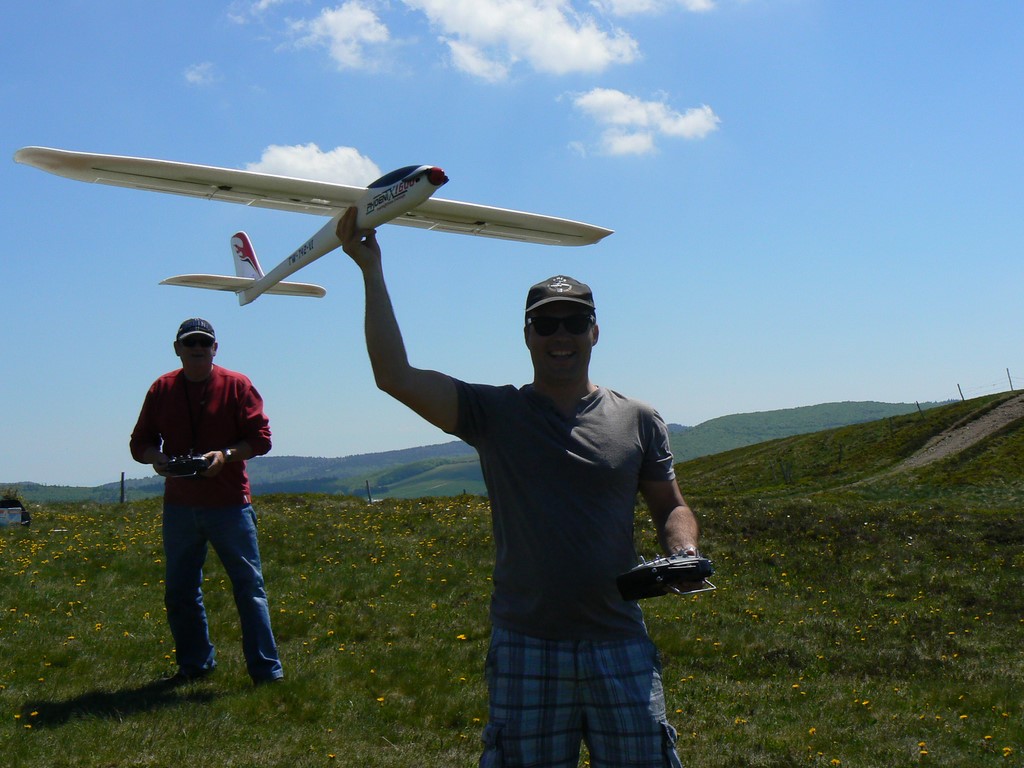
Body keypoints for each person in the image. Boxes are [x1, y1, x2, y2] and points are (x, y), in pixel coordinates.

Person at [339, 208, 700, 768]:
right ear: (527, 335)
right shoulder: (493, 412)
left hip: (619, 638)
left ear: (595, 332)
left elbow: (670, 504)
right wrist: (370, 270)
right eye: (546, 324)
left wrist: (683, 551)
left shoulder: (638, 418)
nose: (561, 336)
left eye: (574, 322)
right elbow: (395, 375)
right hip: (527, 643)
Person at [129, 318, 284, 686]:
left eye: (204, 343)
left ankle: (267, 671)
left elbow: (261, 439)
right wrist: (157, 458)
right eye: (190, 343)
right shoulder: (162, 389)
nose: (197, 348)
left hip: (230, 504)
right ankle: (195, 665)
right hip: (180, 506)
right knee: (180, 590)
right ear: (177, 349)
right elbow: (140, 443)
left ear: (215, 348)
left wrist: (224, 456)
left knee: (249, 588)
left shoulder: (237, 385)